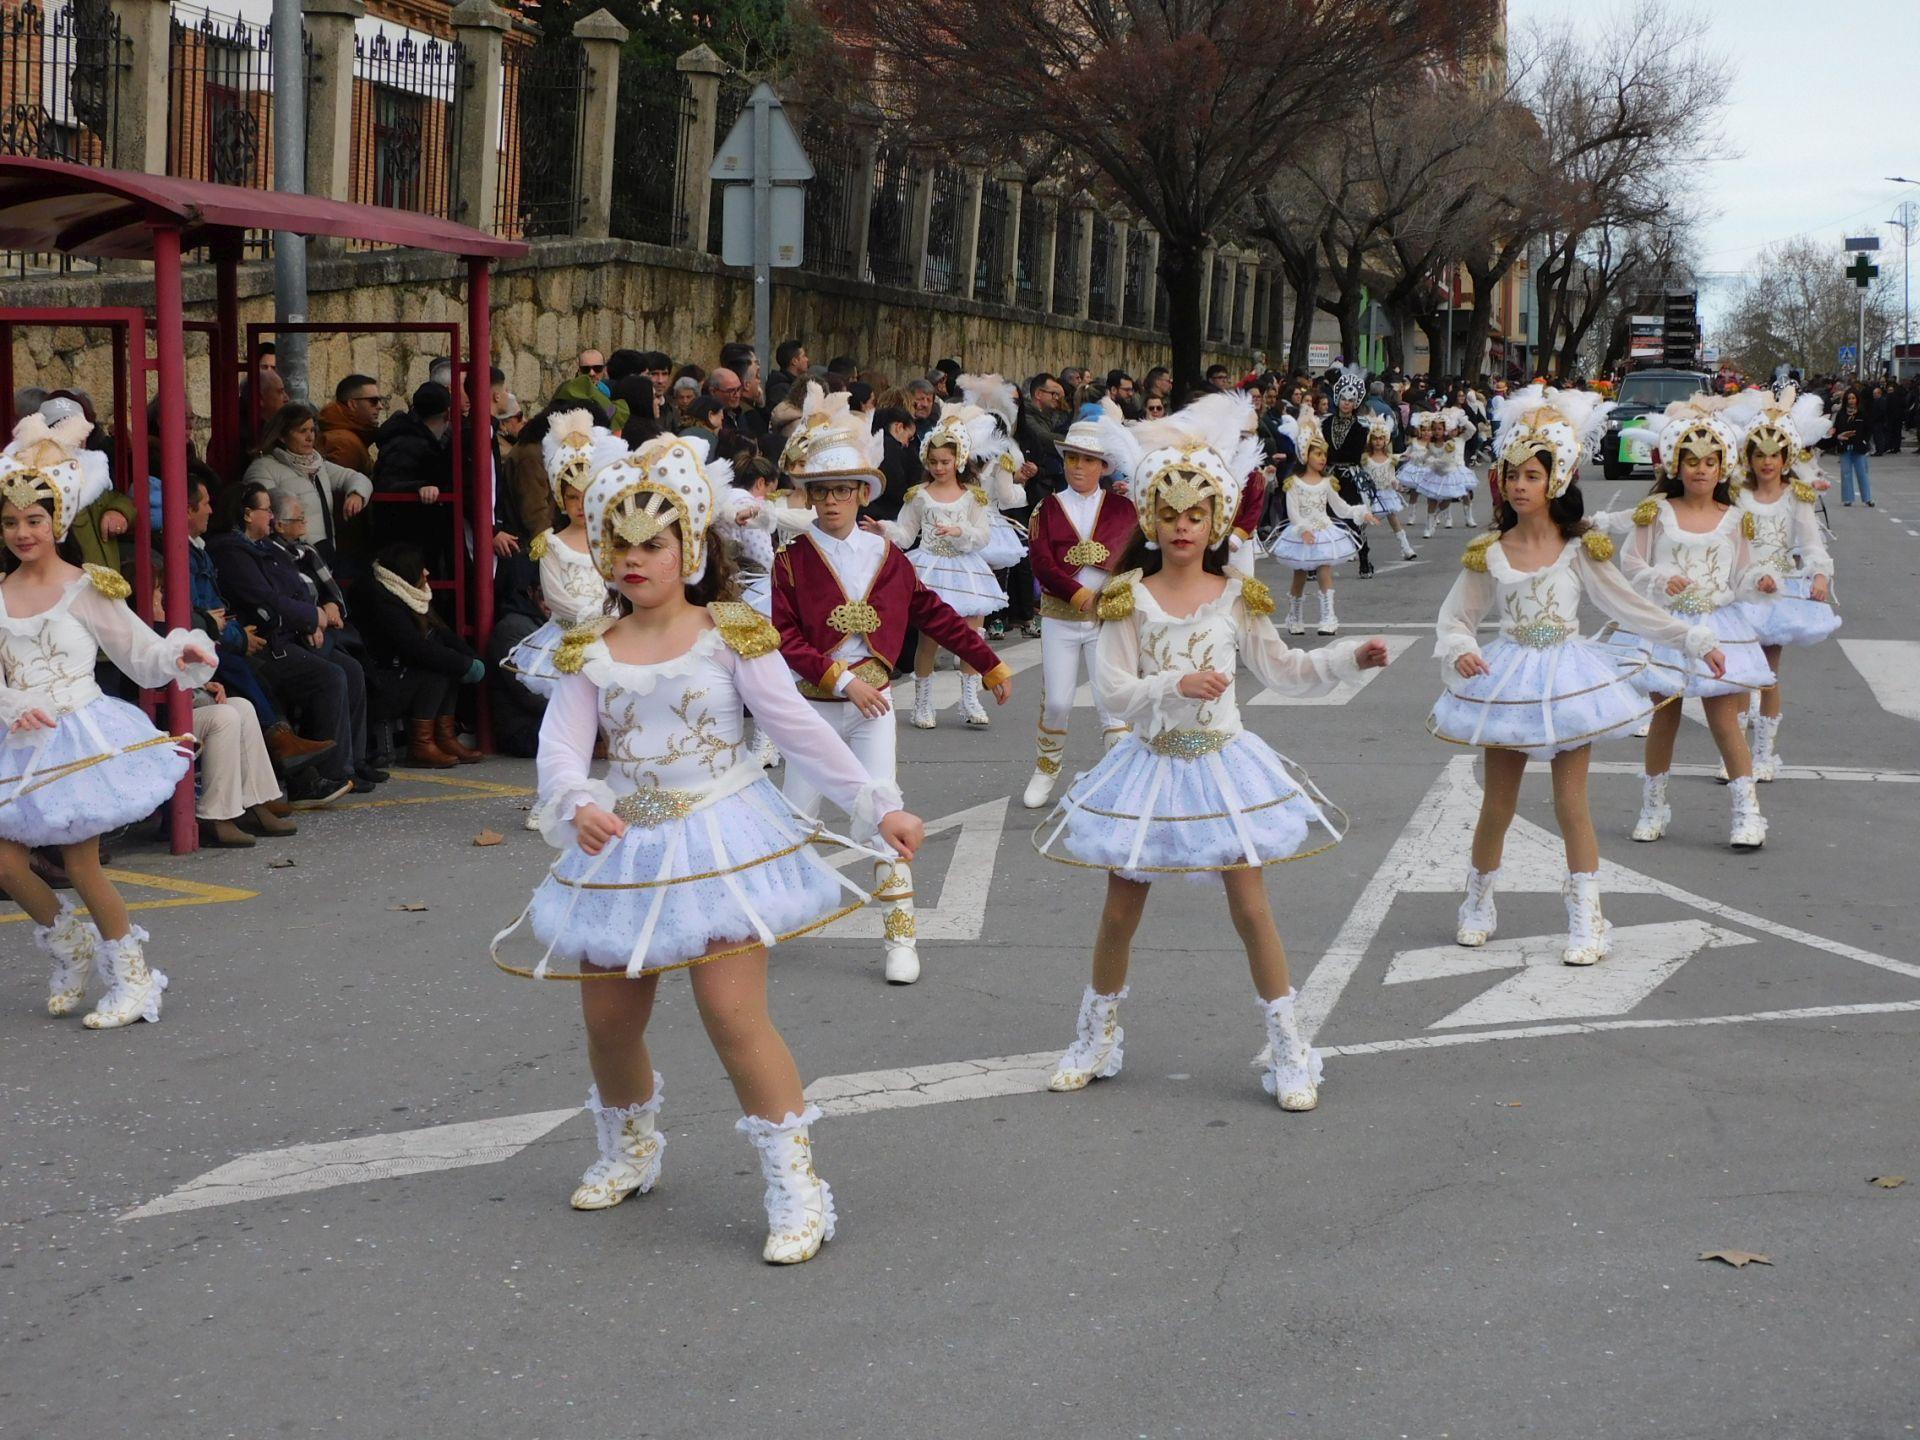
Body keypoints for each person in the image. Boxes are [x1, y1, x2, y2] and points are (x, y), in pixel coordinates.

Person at [491, 439, 926, 1266]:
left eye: (652, 542)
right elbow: (560, 748)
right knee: (610, 1019)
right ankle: (632, 1149)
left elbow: (798, 730)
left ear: (690, 547)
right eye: (618, 543)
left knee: (732, 1014)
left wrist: (879, 806)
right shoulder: (587, 648)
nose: (634, 558)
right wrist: (579, 800)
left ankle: (797, 1186)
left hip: (723, 834)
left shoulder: (733, 631)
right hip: (625, 845)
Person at [1030, 391, 1389, 1110]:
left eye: (1197, 514)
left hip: (1225, 765)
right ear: (1152, 520)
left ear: (1217, 518)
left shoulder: (1238, 595)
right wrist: (1174, 683)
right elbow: (1113, 692)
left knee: (1252, 909)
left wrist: (1351, 659)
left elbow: (1283, 668)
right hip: (1151, 767)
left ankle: (1290, 1049)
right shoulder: (1128, 596)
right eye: (1170, 514)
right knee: (1119, 910)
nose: (1184, 526)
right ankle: (1097, 1036)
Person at [1430, 387, 1727, 965]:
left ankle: (1587, 915)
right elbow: (1454, 618)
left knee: (1572, 803)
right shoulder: (1489, 550)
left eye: (1532, 475)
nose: (1519, 485)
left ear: (1556, 480)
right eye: (1512, 474)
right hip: (1510, 680)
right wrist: (1461, 647)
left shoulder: (1579, 548)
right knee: (1498, 804)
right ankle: (1478, 900)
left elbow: (1629, 607)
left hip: (1570, 680)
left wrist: (1695, 638)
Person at [772, 384, 1010, 985]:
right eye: (821, 492)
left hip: (872, 707)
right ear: (810, 495)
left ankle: (899, 937)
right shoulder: (791, 560)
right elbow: (783, 637)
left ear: (860, 495)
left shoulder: (887, 555)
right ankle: (767, 915)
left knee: (886, 806)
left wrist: (988, 662)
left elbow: (933, 611)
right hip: (816, 709)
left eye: (842, 492)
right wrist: (841, 679)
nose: (831, 503)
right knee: (796, 817)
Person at [0, 413, 216, 1027]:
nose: (23, 532)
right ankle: (68, 944)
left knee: (79, 862)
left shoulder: (87, 588)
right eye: (12, 521)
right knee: (6, 862)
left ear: (58, 521)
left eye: (35, 520)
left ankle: (133, 978)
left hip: (79, 738)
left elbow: (139, 652)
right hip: (17, 741)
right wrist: (13, 706)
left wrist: (182, 651)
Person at [1612, 400, 1779, 850]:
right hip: (1666, 626)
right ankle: (1653, 805)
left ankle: (1747, 811)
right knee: (1663, 717)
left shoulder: (1735, 519)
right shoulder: (1656, 512)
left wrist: (1760, 579)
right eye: (1691, 462)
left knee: (1725, 718)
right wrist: (1662, 577)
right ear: (1675, 465)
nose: (1701, 471)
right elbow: (1630, 562)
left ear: (1723, 467)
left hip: (1719, 625)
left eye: (1709, 462)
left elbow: (1742, 573)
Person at [208, 482, 374, 795]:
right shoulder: (232, 552)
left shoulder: (264, 549)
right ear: (247, 514)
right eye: (266, 510)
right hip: (266, 642)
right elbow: (265, 598)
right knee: (330, 676)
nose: (271, 517)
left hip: (292, 632)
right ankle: (326, 774)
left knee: (350, 669)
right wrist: (311, 618)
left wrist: (314, 617)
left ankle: (350, 764)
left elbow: (293, 590)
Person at [870, 388, 1012, 728]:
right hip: (931, 567)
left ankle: (969, 698)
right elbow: (906, 533)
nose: (939, 468)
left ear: (959, 460)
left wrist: (960, 533)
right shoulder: (918, 495)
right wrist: (884, 529)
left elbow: (983, 536)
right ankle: (923, 701)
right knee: (929, 639)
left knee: (971, 636)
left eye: (945, 462)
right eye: (933, 463)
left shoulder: (972, 496)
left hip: (966, 570)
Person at [1020, 405, 1140, 809]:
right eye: (1072, 458)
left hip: (1108, 620)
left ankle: (1121, 774)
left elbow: (1134, 562)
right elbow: (1041, 561)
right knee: (1057, 699)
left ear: (1103, 466)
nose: (1078, 467)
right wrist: (1075, 594)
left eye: (1088, 460)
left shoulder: (1125, 509)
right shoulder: (1047, 509)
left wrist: (1109, 594)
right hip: (1060, 617)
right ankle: (1046, 767)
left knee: (1112, 699)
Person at [1723, 387, 1841, 780]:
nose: (1767, 462)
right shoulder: (1737, 495)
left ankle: (1764, 754)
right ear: (1749, 457)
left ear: (1786, 457)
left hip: (1778, 595)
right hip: (1742, 590)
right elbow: (1726, 542)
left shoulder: (1796, 496)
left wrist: (1820, 574)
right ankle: (1734, 755)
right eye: (1759, 455)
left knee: (1769, 673)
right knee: (1740, 673)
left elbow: (1811, 543)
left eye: (1774, 455)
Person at [151, 566, 295, 848]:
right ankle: (215, 816)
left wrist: (203, 684)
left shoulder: (167, 629)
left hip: (185, 707)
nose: (161, 601)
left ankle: (255, 801)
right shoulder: (143, 632)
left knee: (241, 706)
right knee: (224, 717)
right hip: (156, 719)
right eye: (156, 593)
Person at [504, 412, 630, 697]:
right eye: (573, 497)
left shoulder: (610, 541)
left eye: (587, 498)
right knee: (575, 697)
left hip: (613, 630)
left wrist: (615, 617)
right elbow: (553, 596)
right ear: (562, 499)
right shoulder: (551, 544)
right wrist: (591, 617)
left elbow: (620, 582)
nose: (580, 506)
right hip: (569, 634)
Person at [351, 543, 486, 768]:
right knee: (439, 669)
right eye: (421, 568)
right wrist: (463, 663)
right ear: (406, 571)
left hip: (401, 673)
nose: (427, 573)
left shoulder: (407, 592)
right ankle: (421, 745)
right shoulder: (381, 599)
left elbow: (441, 631)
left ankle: (445, 738)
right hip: (380, 682)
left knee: (450, 663)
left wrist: (472, 658)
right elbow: (413, 647)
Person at [1270, 411, 1378, 635]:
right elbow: (1293, 514)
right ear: (1304, 455)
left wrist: (1361, 512)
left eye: (1324, 454)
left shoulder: (1328, 482)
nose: (1322, 459)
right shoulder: (1294, 483)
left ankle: (1329, 617)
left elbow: (1340, 507)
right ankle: (1294, 615)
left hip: (1324, 533)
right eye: (1317, 454)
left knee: (1324, 571)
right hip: (1303, 534)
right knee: (1299, 575)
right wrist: (1303, 530)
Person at [245, 403, 372, 570]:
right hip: (291, 561)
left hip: (324, 558)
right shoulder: (264, 468)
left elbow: (356, 477)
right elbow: (264, 517)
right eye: (302, 431)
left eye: (312, 430)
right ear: (282, 436)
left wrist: (356, 494)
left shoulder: (318, 466)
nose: (310, 437)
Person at [1358, 415, 1419, 561]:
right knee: (1362, 522)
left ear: (1386, 440)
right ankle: (1354, 548)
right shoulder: (1365, 458)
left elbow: (1392, 476)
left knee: (1393, 517)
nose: (1378, 441)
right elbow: (1362, 476)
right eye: (1375, 438)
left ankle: (1406, 547)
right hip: (1370, 495)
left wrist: (1396, 484)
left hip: (1386, 492)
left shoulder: (1391, 458)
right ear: (1370, 440)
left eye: (1381, 438)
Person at [318, 375, 384, 475]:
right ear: (352, 404)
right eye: (373, 401)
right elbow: (340, 487)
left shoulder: (349, 435)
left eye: (380, 400)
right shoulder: (343, 443)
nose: (380, 406)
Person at [1831, 388, 1872, 506]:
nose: (1851, 401)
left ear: (1857, 399)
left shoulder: (1862, 413)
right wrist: (1837, 437)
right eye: (1849, 398)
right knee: (1846, 473)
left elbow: (1868, 429)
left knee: (1862, 473)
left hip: (1859, 447)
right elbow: (1836, 428)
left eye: (1853, 398)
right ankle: (1848, 499)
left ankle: (1867, 498)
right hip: (1845, 447)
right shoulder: (1841, 414)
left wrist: (1865, 441)